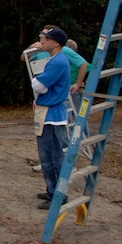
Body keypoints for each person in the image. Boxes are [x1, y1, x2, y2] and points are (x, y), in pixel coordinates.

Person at [31, 27, 70, 210]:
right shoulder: (54, 60)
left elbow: (39, 84)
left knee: (54, 156)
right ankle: (52, 189)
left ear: (56, 43)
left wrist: (38, 83)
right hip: (48, 113)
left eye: (45, 39)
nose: (42, 41)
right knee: (46, 156)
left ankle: (59, 195)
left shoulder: (58, 62)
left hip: (52, 116)